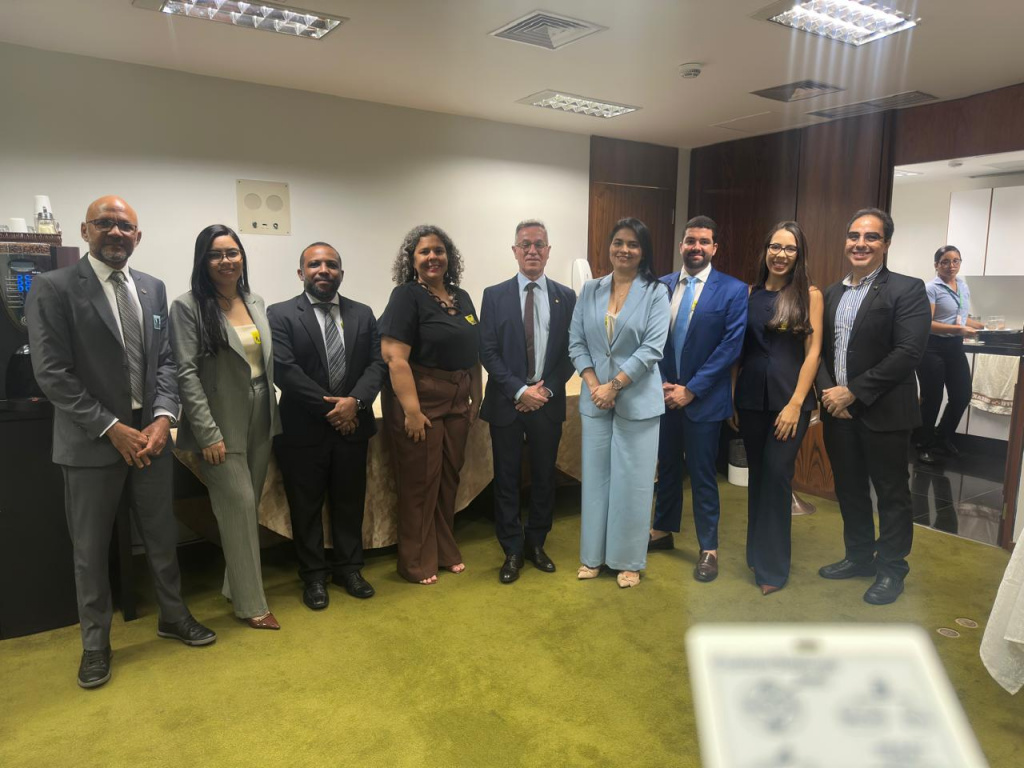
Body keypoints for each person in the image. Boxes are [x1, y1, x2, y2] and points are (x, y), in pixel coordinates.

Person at [25, 196, 215, 689]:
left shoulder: (152, 288)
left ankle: (173, 616)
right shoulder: (54, 286)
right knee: (90, 550)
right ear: (85, 230)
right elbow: (52, 372)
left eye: (125, 226)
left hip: (150, 438)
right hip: (92, 440)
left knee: (161, 536)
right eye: (104, 223)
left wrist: (163, 419)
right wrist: (111, 427)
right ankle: (95, 644)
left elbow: (167, 362)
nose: (115, 232)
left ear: (138, 236)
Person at [170, 224, 282, 628]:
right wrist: (208, 432)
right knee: (236, 506)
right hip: (219, 419)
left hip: (261, 411)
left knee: (246, 509)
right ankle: (252, 605)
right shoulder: (187, 307)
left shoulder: (255, 301)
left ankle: (236, 586)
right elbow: (186, 374)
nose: (226, 261)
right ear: (203, 261)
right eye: (216, 254)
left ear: (242, 257)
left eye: (232, 252)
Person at [816, 208, 930, 605]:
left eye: (871, 237)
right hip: (837, 413)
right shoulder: (831, 293)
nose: (860, 244)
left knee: (891, 494)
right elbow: (818, 351)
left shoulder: (907, 289)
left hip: (885, 412)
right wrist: (830, 393)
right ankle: (859, 557)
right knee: (849, 489)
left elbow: (908, 352)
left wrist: (853, 392)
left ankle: (892, 570)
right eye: (854, 236)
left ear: (886, 244)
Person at [268, 242, 386, 610]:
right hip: (302, 431)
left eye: (331, 264)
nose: (324, 270)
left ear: (341, 273)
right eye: (315, 264)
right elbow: (285, 371)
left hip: (354, 427)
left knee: (350, 502)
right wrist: (335, 411)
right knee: (305, 507)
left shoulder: (363, 314)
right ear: (301, 273)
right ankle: (314, 576)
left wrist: (356, 403)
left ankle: (349, 569)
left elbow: (376, 365)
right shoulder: (280, 314)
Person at [568, 217, 670, 588]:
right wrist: (595, 384)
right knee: (596, 481)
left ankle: (628, 560)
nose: (624, 250)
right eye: (618, 242)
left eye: (633, 244)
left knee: (634, 483)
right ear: (609, 247)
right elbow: (576, 342)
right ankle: (593, 556)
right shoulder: (590, 290)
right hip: (595, 399)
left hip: (638, 400)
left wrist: (614, 386)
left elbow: (652, 348)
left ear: (643, 251)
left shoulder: (656, 292)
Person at [379, 225, 482, 585]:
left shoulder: (461, 296)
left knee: (448, 478)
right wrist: (411, 411)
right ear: (412, 260)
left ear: (449, 257)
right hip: (419, 400)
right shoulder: (405, 296)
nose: (433, 257)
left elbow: (473, 351)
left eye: (439, 250)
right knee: (420, 482)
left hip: (457, 398)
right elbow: (394, 357)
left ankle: (444, 549)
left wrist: (477, 395)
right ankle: (416, 562)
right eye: (424, 252)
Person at [649, 216, 747, 583]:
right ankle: (662, 531)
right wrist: (662, 383)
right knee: (667, 467)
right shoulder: (660, 287)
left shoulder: (733, 290)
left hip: (702, 401)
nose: (696, 247)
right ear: (681, 246)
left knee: (703, 475)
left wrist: (691, 389)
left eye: (704, 242)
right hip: (663, 396)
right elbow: (649, 339)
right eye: (691, 240)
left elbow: (730, 347)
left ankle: (709, 548)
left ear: (714, 248)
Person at [479, 219, 576, 584]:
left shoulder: (566, 297)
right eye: (525, 244)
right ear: (515, 251)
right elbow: (487, 351)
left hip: (547, 404)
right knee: (506, 479)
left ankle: (536, 543)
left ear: (548, 251)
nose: (532, 250)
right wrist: (520, 391)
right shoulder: (494, 295)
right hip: (507, 403)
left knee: (544, 477)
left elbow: (571, 351)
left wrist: (545, 391)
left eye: (539, 244)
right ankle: (512, 550)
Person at [731, 221, 823, 595]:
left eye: (789, 248)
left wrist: (796, 404)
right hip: (751, 398)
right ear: (765, 250)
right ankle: (757, 554)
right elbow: (739, 353)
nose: (780, 255)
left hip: (790, 399)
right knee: (758, 476)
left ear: (799, 255)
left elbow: (813, 353)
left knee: (776, 476)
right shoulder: (749, 294)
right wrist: (734, 398)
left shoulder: (809, 295)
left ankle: (773, 568)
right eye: (775, 247)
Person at [915, 245, 984, 465]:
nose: (951, 265)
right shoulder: (930, 288)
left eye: (955, 261)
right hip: (931, 347)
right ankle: (923, 445)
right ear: (936, 265)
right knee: (932, 398)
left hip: (954, 346)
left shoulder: (962, 286)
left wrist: (983, 326)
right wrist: (959, 330)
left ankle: (942, 437)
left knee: (962, 395)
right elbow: (927, 324)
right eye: (945, 261)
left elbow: (959, 316)